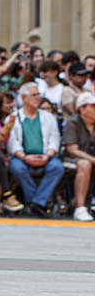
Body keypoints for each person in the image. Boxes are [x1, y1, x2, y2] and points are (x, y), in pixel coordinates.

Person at [7, 82, 64, 217]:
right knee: (17, 168)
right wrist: (25, 157)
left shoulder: (49, 117)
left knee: (57, 167)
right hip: (22, 156)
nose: (38, 98)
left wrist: (48, 155)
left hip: (45, 155)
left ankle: (37, 202)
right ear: (23, 98)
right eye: (34, 95)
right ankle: (37, 202)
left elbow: (54, 139)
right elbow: (12, 142)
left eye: (39, 94)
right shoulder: (13, 118)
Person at [62, 92, 95, 222]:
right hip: (70, 159)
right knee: (84, 164)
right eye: (93, 106)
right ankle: (80, 208)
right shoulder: (73, 122)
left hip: (91, 157)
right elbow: (72, 150)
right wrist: (92, 159)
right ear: (82, 109)